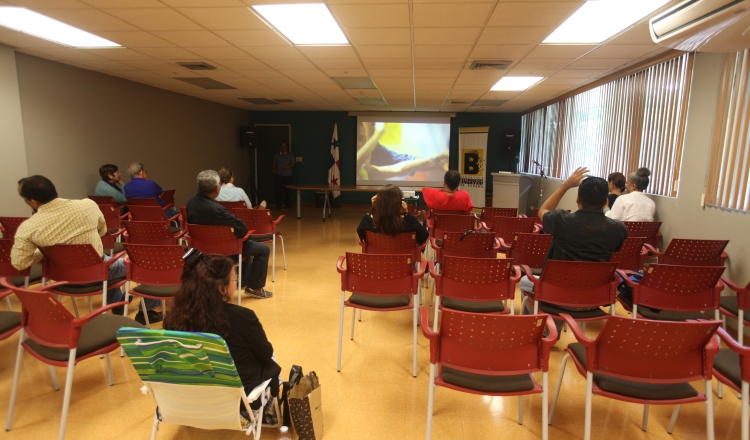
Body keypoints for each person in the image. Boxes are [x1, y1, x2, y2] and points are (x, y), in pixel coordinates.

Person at [11, 175, 162, 323]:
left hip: (61, 280)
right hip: (98, 271)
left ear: (32, 201)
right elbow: (102, 232)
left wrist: (47, 253)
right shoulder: (87, 205)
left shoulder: (28, 227)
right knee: (146, 263)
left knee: (105, 261)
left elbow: (20, 263)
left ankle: (116, 304)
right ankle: (147, 311)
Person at [163, 251, 281, 423]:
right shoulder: (243, 317)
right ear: (221, 288)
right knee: (270, 356)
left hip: (189, 399)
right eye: (234, 279)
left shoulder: (173, 318)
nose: (236, 282)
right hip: (238, 400)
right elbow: (265, 354)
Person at [521, 167, 627, 332]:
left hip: (556, 296)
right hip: (594, 298)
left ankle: (540, 330)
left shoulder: (562, 221)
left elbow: (542, 211)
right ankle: (550, 329)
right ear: (606, 201)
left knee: (524, 281)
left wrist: (564, 186)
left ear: (578, 199)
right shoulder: (618, 229)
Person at [186, 170, 272, 299]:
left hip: (201, 248)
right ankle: (255, 288)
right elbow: (241, 229)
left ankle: (242, 282)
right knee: (263, 250)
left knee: (245, 248)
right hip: (224, 249)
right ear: (217, 188)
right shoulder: (217, 210)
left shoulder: (191, 203)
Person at [357, 184, 428, 245]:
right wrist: (406, 213)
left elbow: (362, 235)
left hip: (376, 259)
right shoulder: (409, 220)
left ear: (378, 201)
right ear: (399, 203)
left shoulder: (367, 219)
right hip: (404, 259)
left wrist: (375, 209)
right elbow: (423, 236)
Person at [272, 143, 295, 209]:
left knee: (288, 191)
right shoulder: (276, 155)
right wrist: (273, 169)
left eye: (285, 146)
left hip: (288, 175)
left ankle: (288, 205)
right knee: (278, 191)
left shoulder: (290, 155)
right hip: (279, 175)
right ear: (280, 147)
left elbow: (293, 163)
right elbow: (274, 163)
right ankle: (278, 206)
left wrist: (288, 166)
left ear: (286, 147)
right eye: (282, 146)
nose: (283, 148)